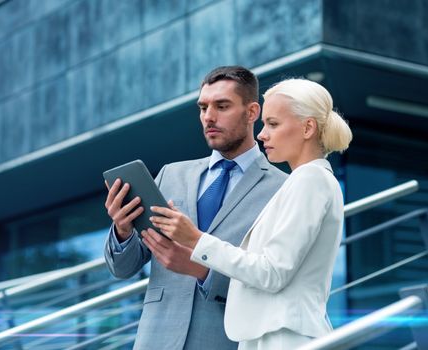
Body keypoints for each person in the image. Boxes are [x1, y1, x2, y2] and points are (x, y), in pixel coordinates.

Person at [147, 78, 353, 349]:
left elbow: (271, 272)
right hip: (268, 334)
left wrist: (197, 240)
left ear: (307, 128)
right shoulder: (305, 181)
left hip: (283, 337)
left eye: (273, 124)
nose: (261, 134)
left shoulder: (310, 180)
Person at [104, 66, 287, 349]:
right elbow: (122, 269)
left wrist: (202, 271)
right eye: (203, 108)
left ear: (252, 113)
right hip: (156, 340)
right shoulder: (170, 175)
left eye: (222, 106)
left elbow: (273, 283)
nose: (208, 117)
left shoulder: (282, 190)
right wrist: (122, 229)